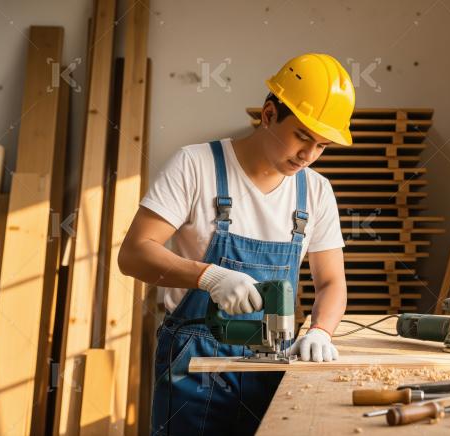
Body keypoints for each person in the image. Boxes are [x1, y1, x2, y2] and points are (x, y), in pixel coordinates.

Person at [117, 53, 354, 435]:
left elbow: (331, 282)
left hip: (273, 365)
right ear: (269, 114)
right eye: (303, 137)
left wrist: (320, 331)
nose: (308, 156)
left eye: (323, 146)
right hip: (194, 368)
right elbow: (133, 254)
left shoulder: (316, 191)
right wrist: (209, 277)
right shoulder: (196, 165)